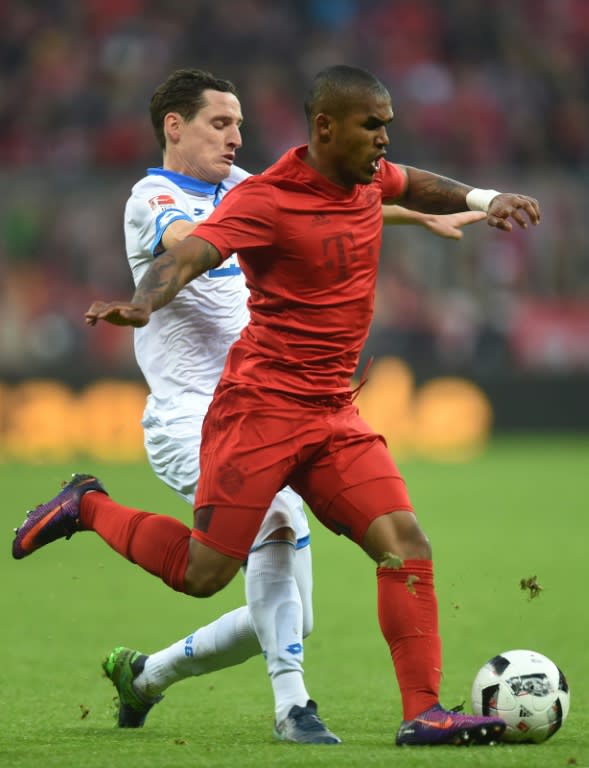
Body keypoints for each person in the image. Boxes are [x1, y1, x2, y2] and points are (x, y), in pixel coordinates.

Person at [13, 64, 538, 746]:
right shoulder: (186, 196)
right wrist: (141, 301)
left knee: (399, 546)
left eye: (239, 124)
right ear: (326, 127)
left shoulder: (278, 183)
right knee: (214, 569)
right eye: (220, 123)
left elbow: (388, 185)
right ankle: (93, 510)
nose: (383, 138)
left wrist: (461, 204)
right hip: (236, 409)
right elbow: (191, 251)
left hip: (328, 410)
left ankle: (420, 712)